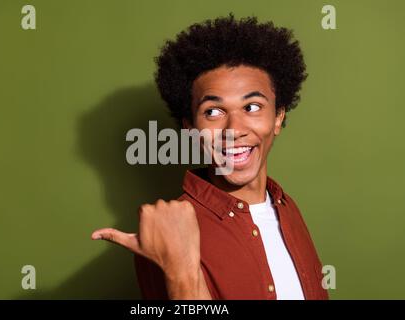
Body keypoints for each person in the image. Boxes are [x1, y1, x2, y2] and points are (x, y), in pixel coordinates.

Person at [92, 14, 329, 300]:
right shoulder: (163, 236)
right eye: (213, 112)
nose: (234, 130)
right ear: (190, 128)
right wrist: (181, 271)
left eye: (252, 107)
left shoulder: (286, 206)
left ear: (278, 117)